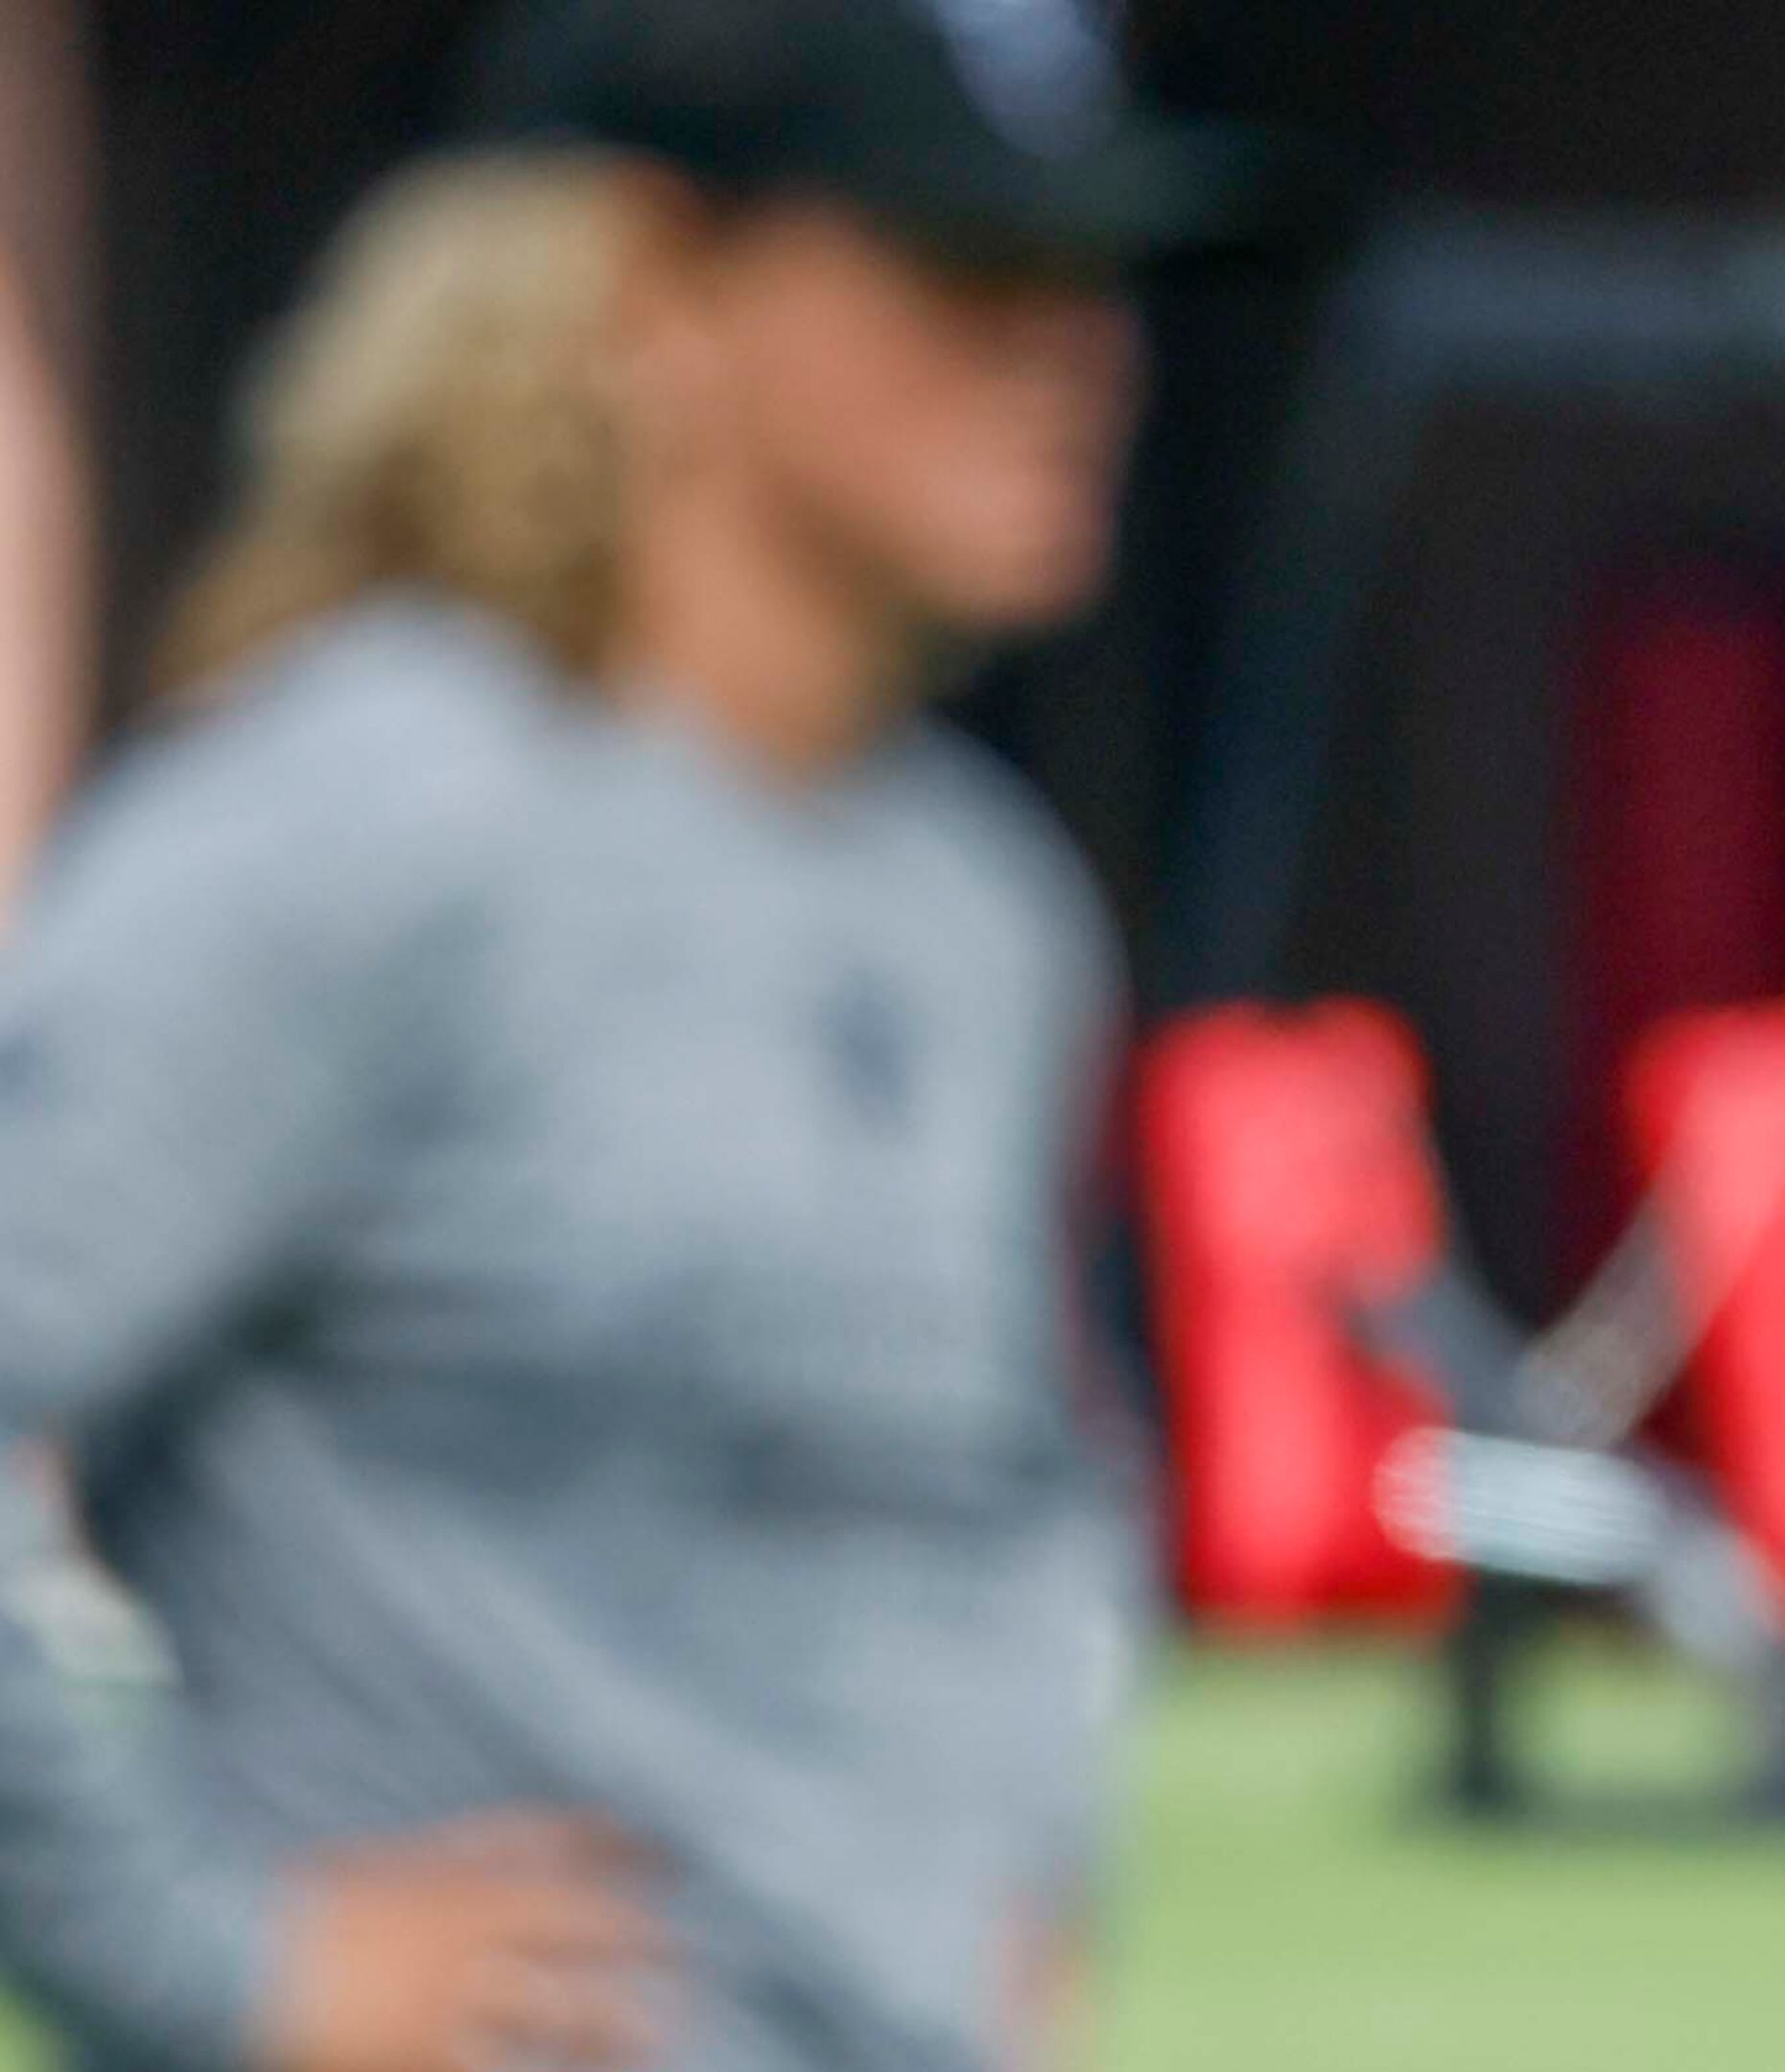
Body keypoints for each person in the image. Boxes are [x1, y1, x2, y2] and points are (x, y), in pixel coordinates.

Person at [0, 1, 1254, 2065]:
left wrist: (1022, 1906)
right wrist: (209, 1965)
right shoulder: (362, 823)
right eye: (969, 264)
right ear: (661, 282)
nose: (1079, 347)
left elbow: (1014, 1507)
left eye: (1102, 272)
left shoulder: (982, 908)